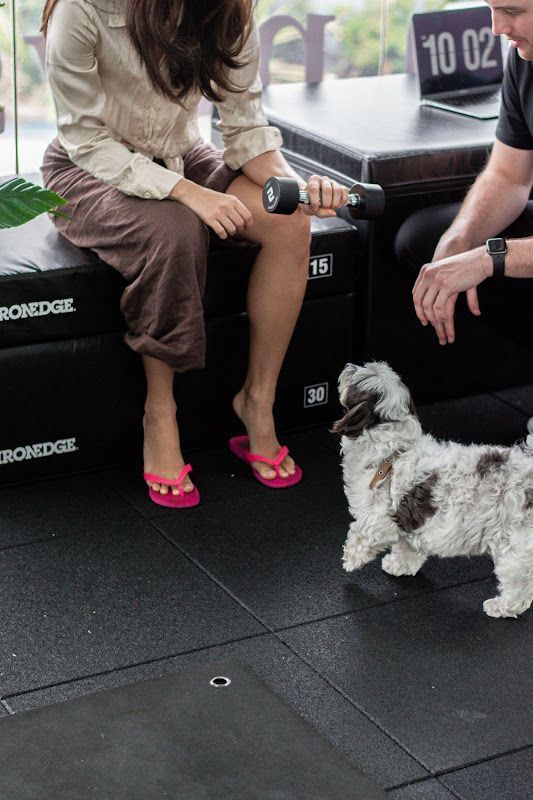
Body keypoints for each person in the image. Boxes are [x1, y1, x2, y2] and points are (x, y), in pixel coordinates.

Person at [40, 0, 349, 507]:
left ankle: (257, 401)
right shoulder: (81, 8)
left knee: (290, 222)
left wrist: (294, 188)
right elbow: (87, 141)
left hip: (181, 153)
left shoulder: (228, 8)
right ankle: (160, 412)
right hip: (85, 170)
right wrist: (187, 193)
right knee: (177, 229)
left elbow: (246, 126)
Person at [396, 0, 533, 349]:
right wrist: (462, 240)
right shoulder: (523, 58)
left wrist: (490, 258)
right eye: (492, 8)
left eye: (513, 12)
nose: (497, 28)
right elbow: (509, 175)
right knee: (425, 240)